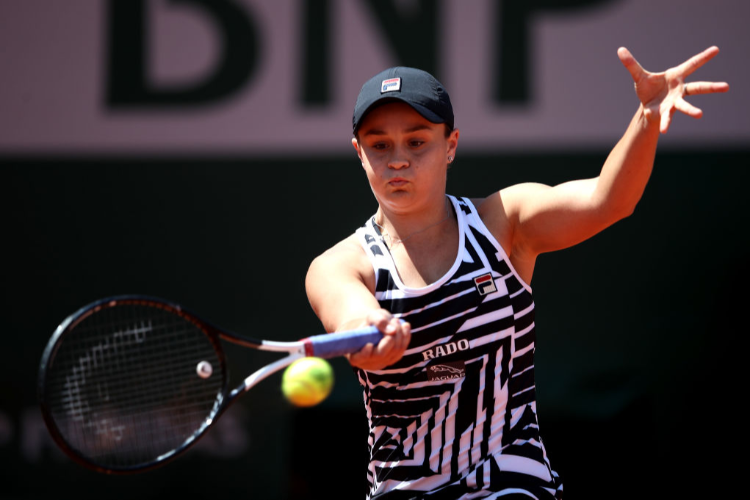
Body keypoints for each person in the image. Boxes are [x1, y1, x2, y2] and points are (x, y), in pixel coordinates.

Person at [305, 47, 728, 499]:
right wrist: (370, 334)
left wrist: (646, 117)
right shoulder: (339, 264)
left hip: (516, 488)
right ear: (359, 152)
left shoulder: (505, 222)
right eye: (379, 144)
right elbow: (351, 317)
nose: (398, 160)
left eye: (417, 140)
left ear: (450, 146)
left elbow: (609, 200)